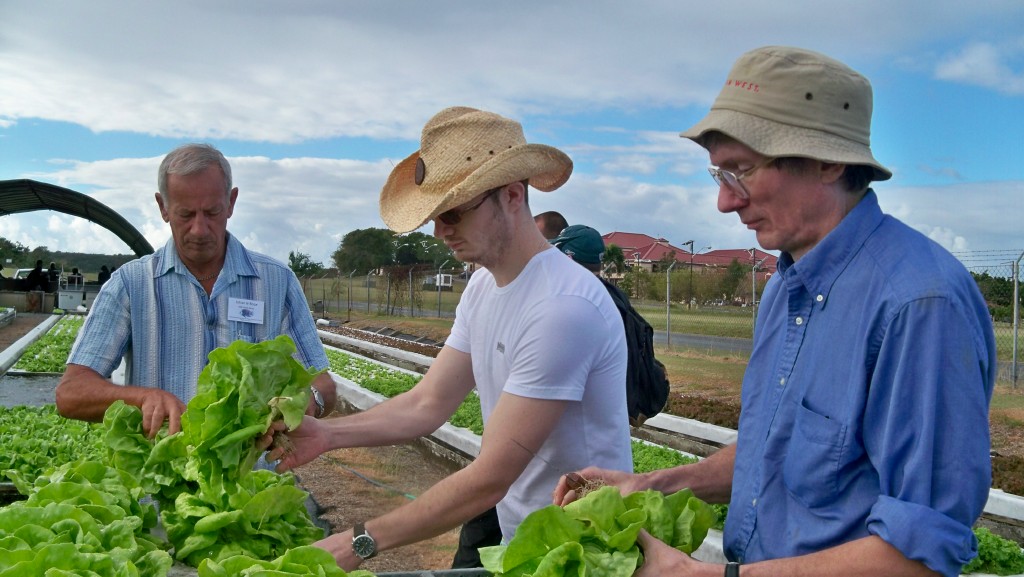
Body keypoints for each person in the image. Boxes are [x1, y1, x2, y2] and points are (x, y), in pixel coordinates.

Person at [553, 46, 995, 577]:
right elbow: (772, 456)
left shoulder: (919, 305)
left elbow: (920, 550)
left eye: (741, 171)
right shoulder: (786, 288)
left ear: (830, 160)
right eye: (719, 174)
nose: (724, 201)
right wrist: (648, 485)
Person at [262, 106, 633, 570]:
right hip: (533, 544)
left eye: (453, 213)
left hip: (590, 552)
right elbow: (427, 404)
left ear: (513, 196)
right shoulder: (482, 286)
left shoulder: (563, 308)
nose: (440, 231)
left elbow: (491, 477)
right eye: (435, 216)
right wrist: (325, 433)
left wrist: (357, 541)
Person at [56, 143, 337, 438]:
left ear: (231, 202)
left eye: (212, 212)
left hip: (253, 480)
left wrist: (307, 404)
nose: (200, 229)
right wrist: (141, 398)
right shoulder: (131, 284)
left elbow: (323, 385)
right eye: (186, 214)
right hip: (161, 479)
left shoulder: (276, 282)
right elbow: (71, 392)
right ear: (163, 207)